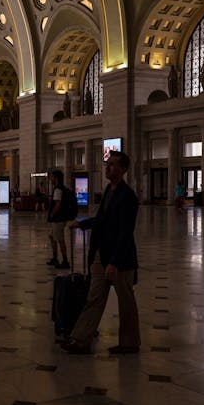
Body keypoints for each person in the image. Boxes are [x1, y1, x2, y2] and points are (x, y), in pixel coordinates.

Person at [61, 151, 140, 356]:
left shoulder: (128, 196)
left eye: (113, 165)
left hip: (120, 259)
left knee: (126, 302)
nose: (108, 168)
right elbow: (102, 219)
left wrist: (114, 262)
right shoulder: (109, 190)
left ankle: (130, 343)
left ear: (123, 169)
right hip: (101, 254)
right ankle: (81, 339)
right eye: (108, 164)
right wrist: (82, 224)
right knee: (94, 297)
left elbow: (125, 232)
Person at [47, 170, 71, 269]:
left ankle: (65, 261)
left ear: (56, 178)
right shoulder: (61, 188)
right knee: (52, 236)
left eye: (52, 177)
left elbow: (58, 204)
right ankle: (55, 258)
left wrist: (52, 214)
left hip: (59, 219)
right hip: (60, 218)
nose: (50, 179)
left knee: (60, 239)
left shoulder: (58, 190)